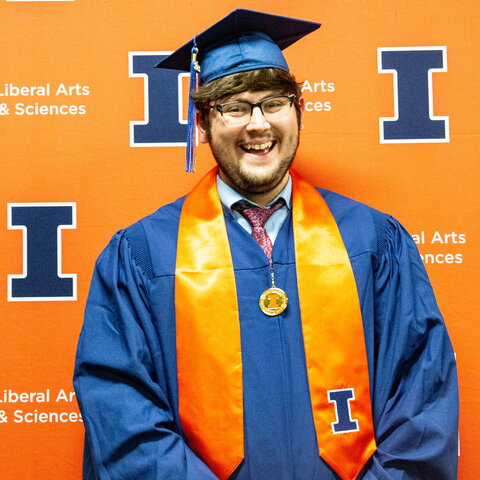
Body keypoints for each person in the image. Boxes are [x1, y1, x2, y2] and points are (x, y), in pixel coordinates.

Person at [73, 9, 458, 480]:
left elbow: (422, 397)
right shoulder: (143, 255)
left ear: (299, 111)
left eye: (273, 102)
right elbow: (121, 413)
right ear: (201, 122)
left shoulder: (372, 241)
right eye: (234, 107)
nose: (257, 124)